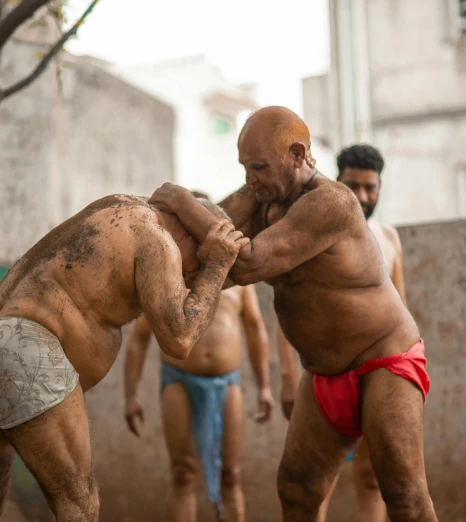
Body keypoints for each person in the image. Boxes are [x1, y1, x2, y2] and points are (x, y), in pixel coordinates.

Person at [149, 106, 436, 522]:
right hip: (323, 374)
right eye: (245, 167)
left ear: (298, 155)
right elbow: (204, 241)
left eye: (259, 167)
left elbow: (244, 262)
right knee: (297, 489)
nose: (250, 178)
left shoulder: (332, 203)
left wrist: (181, 199)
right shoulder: (261, 196)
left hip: (383, 361)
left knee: (404, 496)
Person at [0, 194, 248, 522]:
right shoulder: (159, 241)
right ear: (188, 232)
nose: (191, 275)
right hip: (25, 350)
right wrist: (215, 266)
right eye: (195, 263)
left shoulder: (114, 206)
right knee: (80, 508)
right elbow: (180, 338)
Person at [277, 144, 408, 522]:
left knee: (374, 478)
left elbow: (401, 313)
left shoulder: (389, 238)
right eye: (354, 186)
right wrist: (288, 378)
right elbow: (290, 309)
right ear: (337, 183)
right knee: (314, 484)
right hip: (328, 375)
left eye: (371, 188)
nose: (364, 197)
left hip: (381, 374)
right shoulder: (317, 233)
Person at [124, 278, 273, 522]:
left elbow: (255, 327)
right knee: (183, 473)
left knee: (231, 475)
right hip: (178, 381)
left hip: (227, 382)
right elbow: (140, 337)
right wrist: (131, 395)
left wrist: (265, 387)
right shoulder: (167, 275)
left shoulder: (239, 279)